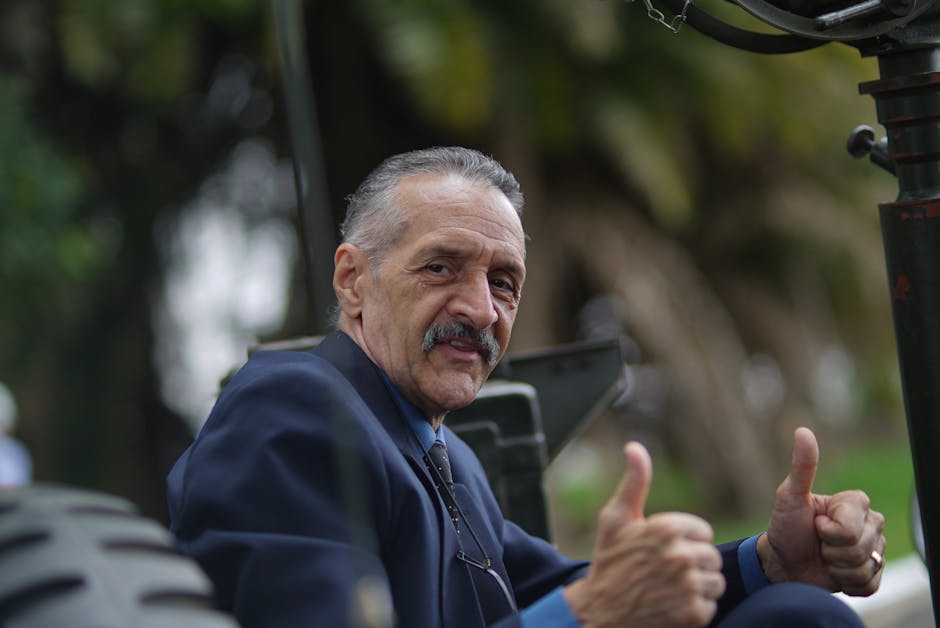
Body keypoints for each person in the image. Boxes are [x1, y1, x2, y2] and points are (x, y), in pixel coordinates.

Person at [167, 147, 886, 627]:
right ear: (353, 280)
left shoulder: (446, 453)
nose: (481, 310)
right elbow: (577, 604)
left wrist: (768, 563)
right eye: (441, 267)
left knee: (796, 612)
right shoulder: (290, 409)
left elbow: (543, 589)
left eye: (503, 283)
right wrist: (589, 612)